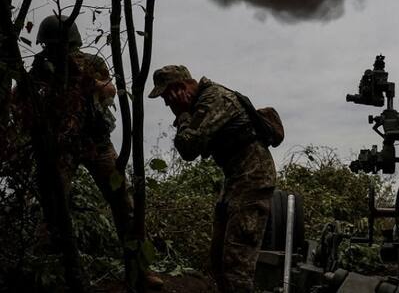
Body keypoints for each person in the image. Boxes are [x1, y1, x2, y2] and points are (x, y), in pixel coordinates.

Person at [14, 15, 162, 289]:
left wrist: (84, 81)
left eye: (58, 45)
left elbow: (109, 91)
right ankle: (44, 271)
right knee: (53, 206)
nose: (54, 50)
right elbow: (20, 100)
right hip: (62, 147)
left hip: (97, 142)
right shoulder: (40, 68)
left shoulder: (91, 62)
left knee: (124, 205)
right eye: (49, 45)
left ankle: (141, 270)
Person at [149, 64, 276, 293]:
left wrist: (183, 115)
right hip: (236, 181)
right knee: (217, 261)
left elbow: (188, 148)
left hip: (252, 180)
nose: (167, 104)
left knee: (236, 265)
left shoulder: (213, 100)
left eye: (167, 97)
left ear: (179, 89)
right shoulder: (204, 102)